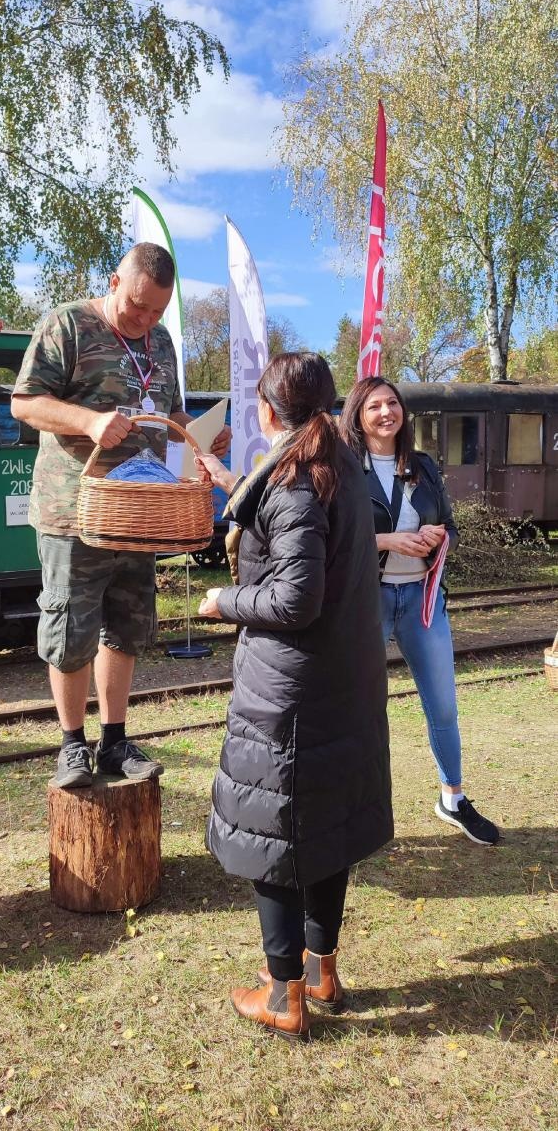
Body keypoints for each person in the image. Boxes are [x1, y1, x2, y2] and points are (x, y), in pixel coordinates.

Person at [195, 352, 393, 1042]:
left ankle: (283, 995)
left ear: (269, 411)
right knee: (327, 832)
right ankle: (321, 971)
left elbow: (293, 598)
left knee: (273, 840)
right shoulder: (340, 468)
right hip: (343, 683)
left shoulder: (296, 482)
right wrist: (228, 482)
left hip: (290, 693)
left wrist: (225, 602)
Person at [11, 243, 230, 789]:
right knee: (70, 629)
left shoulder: (161, 340)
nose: (146, 320)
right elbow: (24, 402)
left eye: (157, 310)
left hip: (141, 511)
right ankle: (71, 745)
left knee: (126, 629)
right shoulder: (66, 326)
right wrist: (87, 421)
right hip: (74, 511)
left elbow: (168, 412)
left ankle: (113, 741)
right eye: (137, 307)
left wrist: (199, 437)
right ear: (114, 282)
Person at [339, 377, 499, 846]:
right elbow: (330, 539)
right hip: (370, 600)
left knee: (444, 705)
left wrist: (438, 536)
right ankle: (350, 808)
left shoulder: (423, 465)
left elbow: (449, 525)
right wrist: (385, 541)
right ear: (358, 414)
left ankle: (453, 798)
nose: (386, 412)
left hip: (422, 602)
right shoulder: (346, 467)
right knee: (360, 707)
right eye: (374, 406)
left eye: (393, 403)